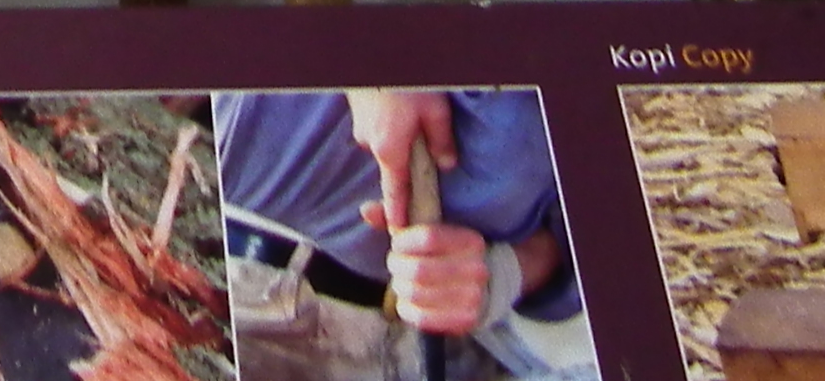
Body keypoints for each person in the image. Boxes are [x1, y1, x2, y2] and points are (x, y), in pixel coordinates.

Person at [214, 89, 588, 381]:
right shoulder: (231, 155)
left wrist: (370, 57)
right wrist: (513, 272)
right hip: (518, 324)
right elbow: (569, 244)